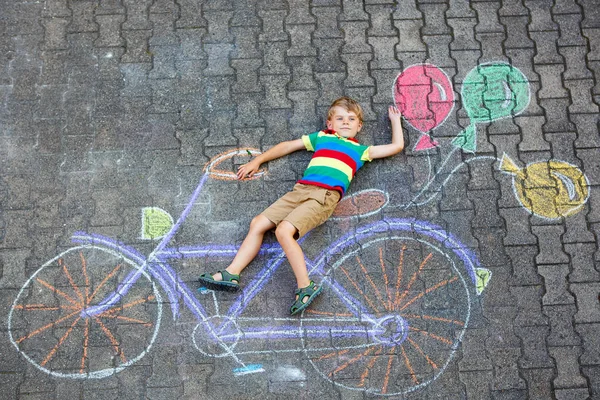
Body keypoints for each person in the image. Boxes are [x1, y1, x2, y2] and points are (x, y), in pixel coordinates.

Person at [199, 96, 405, 315]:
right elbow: (288, 146)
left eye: (351, 119)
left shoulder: (361, 151)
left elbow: (397, 146)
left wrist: (395, 121)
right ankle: (232, 272)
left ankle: (306, 286)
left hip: (324, 196)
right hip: (300, 191)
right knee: (258, 223)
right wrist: (258, 160)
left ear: (359, 126)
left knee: (283, 231)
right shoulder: (321, 138)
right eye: (340, 118)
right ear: (330, 124)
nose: (346, 122)